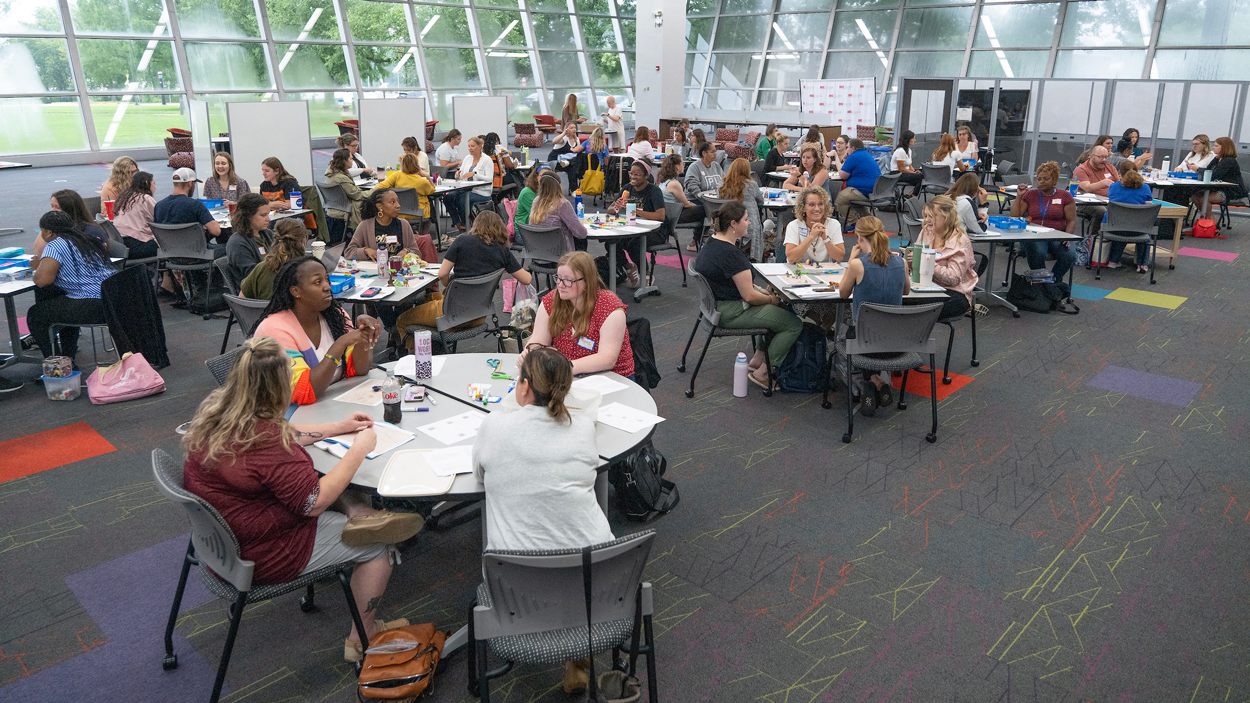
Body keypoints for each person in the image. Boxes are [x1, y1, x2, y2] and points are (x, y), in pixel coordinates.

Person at [182, 336, 423, 664]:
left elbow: (287, 433)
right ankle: (362, 639)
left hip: (222, 543)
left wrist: (338, 427)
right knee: (379, 546)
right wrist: (358, 449)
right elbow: (314, 502)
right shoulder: (267, 443)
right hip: (262, 552)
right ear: (279, 387)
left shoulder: (221, 414)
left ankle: (358, 512)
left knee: (326, 480)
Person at [471, 344, 613, 693]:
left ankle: (574, 657)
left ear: (523, 386)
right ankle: (578, 659)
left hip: (519, 595)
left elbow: (479, 474)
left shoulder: (494, 426)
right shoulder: (582, 428)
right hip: (597, 584)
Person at [693, 202, 802, 390]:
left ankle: (758, 358)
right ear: (734, 224)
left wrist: (761, 292)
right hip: (731, 312)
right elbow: (750, 297)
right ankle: (764, 372)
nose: (749, 223)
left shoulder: (711, 244)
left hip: (716, 307)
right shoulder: (731, 255)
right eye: (746, 219)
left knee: (779, 310)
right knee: (793, 324)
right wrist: (771, 299)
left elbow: (735, 283)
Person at [253, 256, 381, 404]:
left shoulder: (335, 317)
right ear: (296, 291)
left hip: (331, 402)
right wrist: (340, 344)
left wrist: (363, 336)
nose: (327, 287)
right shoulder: (274, 329)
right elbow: (304, 392)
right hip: (287, 415)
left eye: (327, 279)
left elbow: (359, 370)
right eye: (317, 282)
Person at [395, 211, 532, 341]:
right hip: (478, 315)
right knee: (427, 299)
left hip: (451, 315)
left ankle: (416, 358)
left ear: (476, 225)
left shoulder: (462, 241)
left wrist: (451, 286)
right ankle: (437, 346)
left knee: (402, 320)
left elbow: (442, 273)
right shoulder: (503, 250)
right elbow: (527, 280)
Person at [837, 215, 909, 415]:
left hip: (865, 344)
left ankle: (866, 383)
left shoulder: (858, 265)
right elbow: (906, 292)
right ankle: (876, 381)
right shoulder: (901, 262)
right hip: (896, 343)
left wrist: (852, 260)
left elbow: (843, 294)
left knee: (846, 333)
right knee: (872, 331)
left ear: (859, 237)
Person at [522, 251, 634, 377]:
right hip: (567, 373)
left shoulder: (609, 308)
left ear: (587, 280)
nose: (560, 285)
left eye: (568, 280)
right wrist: (531, 351)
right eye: (558, 278)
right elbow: (538, 339)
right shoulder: (551, 301)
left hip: (611, 377)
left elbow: (607, 358)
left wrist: (565, 367)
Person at [26, 211, 117, 363]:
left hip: (92, 303)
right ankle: (68, 357)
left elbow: (43, 280)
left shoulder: (55, 245)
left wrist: (38, 268)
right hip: (113, 297)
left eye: (41, 232)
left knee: (36, 316)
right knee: (62, 305)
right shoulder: (87, 239)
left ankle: (57, 365)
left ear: (49, 232)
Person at [1010, 161, 1076, 283]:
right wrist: (1019, 196)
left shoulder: (1065, 196)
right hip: (1034, 235)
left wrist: (1068, 236)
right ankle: (1043, 283)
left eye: (1046, 179)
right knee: (1038, 251)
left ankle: (1053, 282)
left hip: (1057, 234)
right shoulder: (1030, 195)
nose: (1041, 182)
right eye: (1039, 179)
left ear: (1054, 180)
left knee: (1070, 255)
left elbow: (1071, 221)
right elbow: (1014, 216)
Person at [918, 195, 978, 320]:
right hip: (927, 285)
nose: (927, 220)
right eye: (925, 216)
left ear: (946, 217)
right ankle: (913, 336)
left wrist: (927, 262)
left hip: (954, 292)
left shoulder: (960, 241)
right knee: (899, 298)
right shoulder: (926, 231)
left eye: (932, 216)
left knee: (917, 309)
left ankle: (914, 337)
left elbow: (953, 279)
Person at [608, 161, 668, 285]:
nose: (633, 177)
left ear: (646, 176)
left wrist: (636, 211)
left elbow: (660, 216)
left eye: (637, 174)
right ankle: (629, 267)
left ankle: (646, 273)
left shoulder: (653, 190)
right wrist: (616, 207)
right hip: (632, 228)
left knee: (634, 244)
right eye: (631, 173)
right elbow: (610, 209)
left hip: (655, 231)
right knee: (610, 241)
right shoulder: (627, 188)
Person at [345, 189, 436, 263]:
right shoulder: (365, 226)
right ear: (380, 206)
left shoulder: (404, 224)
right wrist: (365, 251)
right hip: (376, 273)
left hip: (401, 272)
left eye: (398, 201)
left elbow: (416, 252)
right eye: (392, 202)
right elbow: (349, 252)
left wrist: (407, 252)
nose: (398, 206)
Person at [1102, 160, 1155, 273]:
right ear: (1137, 172)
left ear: (1120, 174)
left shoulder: (1113, 187)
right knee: (1145, 228)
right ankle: (1142, 265)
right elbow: (1147, 211)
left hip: (1114, 228)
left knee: (1123, 223)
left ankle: (1113, 261)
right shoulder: (1145, 188)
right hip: (1138, 230)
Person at [241, 218, 308, 300]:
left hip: (262, 312)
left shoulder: (261, 268)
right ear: (303, 241)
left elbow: (241, 301)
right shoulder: (307, 270)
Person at [153, 168, 222, 243]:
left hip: (169, 252)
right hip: (196, 252)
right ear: (190, 183)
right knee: (225, 247)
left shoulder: (159, 206)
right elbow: (216, 231)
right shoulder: (196, 205)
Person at [34, 190, 107, 258]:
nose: (53, 211)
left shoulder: (91, 231)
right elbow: (39, 253)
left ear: (70, 210)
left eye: (57, 207)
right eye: (52, 206)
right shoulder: (57, 227)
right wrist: (47, 226)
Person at [375, 153, 436, 235]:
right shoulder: (422, 182)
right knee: (431, 214)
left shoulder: (397, 175)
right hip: (417, 213)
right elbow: (432, 190)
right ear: (416, 165)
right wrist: (427, 176)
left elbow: (380, 187)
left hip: (398, 211)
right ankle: (421, 237)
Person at [719, 157, 766, 262]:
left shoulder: (723, 183)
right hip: (747, 224)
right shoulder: (751, 184)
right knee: (756, 227)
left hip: (727, 222)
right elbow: (761, 202)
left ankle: (736, 250)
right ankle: (744, 253)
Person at [784, 185, 844, 264]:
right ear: (803, 208)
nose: (817, 208)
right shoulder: (794, 225)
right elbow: (791, 258)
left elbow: (839, 258)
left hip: (825, 272)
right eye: (811, 204)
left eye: (820, 204)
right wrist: (811, 237)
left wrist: (825, 239)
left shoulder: (834, 224)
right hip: (798, 271)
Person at [657, 153, 705, 252]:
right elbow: (686, 204)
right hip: (674, 217)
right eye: (683, 163)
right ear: (677, 167)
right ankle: (697, 241)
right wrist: (693, 204)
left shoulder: (664, 181)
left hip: (669, 213)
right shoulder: (674, 184)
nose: (684, 166)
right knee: (705, 209)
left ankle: (697, 241)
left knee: (700, 209)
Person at [529, 171, 588, 252]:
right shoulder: (562, 204)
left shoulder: (536, 202)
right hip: (560, 257)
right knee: (581, 241)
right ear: (558, 186)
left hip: (538, 254)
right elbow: (581, 233)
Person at [226, 193, 272, 292]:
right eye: (263, 215)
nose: (268, 219)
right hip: (256, 292)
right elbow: (252, 277)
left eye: (268, 214)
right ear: (248, 216)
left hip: (270, 285)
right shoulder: (237, 243)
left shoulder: (267, 234)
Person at [1074, 144, 1120, 239]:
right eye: (1100, 157)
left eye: (1106, 157)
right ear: (1091, 156)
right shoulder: (1082, 169)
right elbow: (1086, 188)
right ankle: (1095, 238)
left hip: (1109, 200)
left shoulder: (1110, 168)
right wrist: (1103, 182)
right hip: (1087, 202)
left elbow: (1119, 185)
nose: (1104, 160)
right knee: (1101, 211)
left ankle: (1116, 239)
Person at [834, 139, 882, 227]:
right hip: (875, 190)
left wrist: (845, 160)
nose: (847, 149)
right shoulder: (866, 154)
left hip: (864, 190)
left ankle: (853, 223)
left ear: (853, 148)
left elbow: (842, 175)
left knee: (840, 198)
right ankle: (870, 223)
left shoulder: (853, 156)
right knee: (854, 199)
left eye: (847, 147)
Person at [322, 148, 366, 243]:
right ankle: (366, 235)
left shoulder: (332, 174)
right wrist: (376, 190)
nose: (352, 161)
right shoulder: (341, 178)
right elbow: (357, 195)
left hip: (334, 207)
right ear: (344, 161)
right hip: (344, 209)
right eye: (350, 159)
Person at [1191, 136, 1246, 211]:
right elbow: (1208, 170)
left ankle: (1211, 220)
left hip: (1231, 191)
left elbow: (1214, 176)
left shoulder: (1229, 161)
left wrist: (1197, 169)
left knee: (1202, 198)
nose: (1213, 147)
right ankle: (1207, 220)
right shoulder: (1217, 159)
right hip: (1219, 188)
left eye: (1216, 146)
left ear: (1224, 148)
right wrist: (1198, 170)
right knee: (1195, 196)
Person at [112, 171, 158, 259]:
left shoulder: (124, 197)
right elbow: (159, 220)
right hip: (137, 246)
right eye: (154, 184)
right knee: (166, 248)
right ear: (147, 183)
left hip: (120, 246)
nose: (155, 188)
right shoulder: (146, 199)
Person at [456, 135, 494, 228]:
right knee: (449, 198)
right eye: (468, 146)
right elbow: (462, 175)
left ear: (480, 146)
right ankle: (458, 223)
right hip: (467, 189)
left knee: (462, 200)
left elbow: (489, 179)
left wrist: (475, 174)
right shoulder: (467, 158)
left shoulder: (487, 160)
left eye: (472, 146)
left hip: (481, 192)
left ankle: (467, 225)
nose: (470, 148)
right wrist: (458, 175)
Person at [513, 166, 542, 235]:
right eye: (542, 176)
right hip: (523, 232)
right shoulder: (527, 193)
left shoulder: (544, 191)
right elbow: (538, 216)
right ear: (535, 177)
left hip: (535, 229)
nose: (546, 178)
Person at [892, 130, 921, 196]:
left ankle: (911, 194)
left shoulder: (909, 150)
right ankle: (912, 196)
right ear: (908, 140)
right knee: (919, 178)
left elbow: (909, 165)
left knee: (922, 175)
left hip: (905, 172)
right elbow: (901, 169)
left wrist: (915, 171)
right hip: (897, 174)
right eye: (913, 138)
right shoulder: (900, 151)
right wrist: (914, 173)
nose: (915, 140)